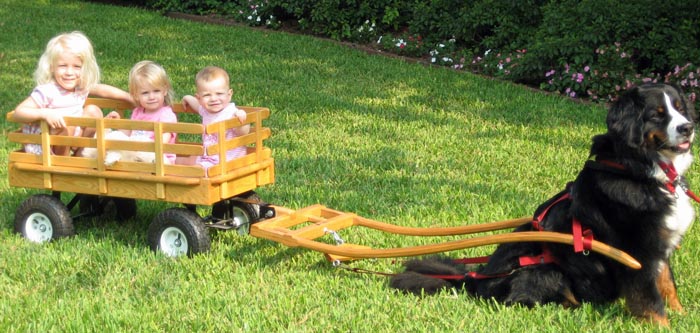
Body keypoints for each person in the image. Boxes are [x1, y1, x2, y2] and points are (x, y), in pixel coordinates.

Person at [12, 31, 133, 156]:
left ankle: (81, 155)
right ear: (52, 67)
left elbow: (102, 89)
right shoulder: (48, 91)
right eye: (63, 66)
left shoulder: (79, 87)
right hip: (47, 145)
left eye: (76, 66)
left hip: (72, 136)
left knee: (93, 111)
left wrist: (129, 98)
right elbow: (18, 113)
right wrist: (45, 113)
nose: (69, 72)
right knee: (63, 127)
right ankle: (63, 162)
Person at [103, 60, 178, 165]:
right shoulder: (137, 112)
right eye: (145, 93)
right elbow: (128, 134)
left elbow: (162, 143)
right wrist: (117, 123)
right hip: (136, 156)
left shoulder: (167, 115)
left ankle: (117, 156)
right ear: (136, 95)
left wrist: (138, 147)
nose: (151, 97)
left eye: (156, 91)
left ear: (164, 91)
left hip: (158, 159)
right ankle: (112, 156)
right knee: (115, 137)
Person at [180, 66, 250, 174]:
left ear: (229, 94)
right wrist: (187, 98)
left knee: (196, 170)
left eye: (219, 94)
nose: (213, 99)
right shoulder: (206, 110)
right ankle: (167, 164)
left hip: (226, 159)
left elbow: (243, 132)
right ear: (199, 98)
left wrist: (242, 119)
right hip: (210, 156)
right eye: (207, 95)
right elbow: (197, 105)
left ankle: (176, 176)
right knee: (189, 159)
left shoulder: (232, 113)